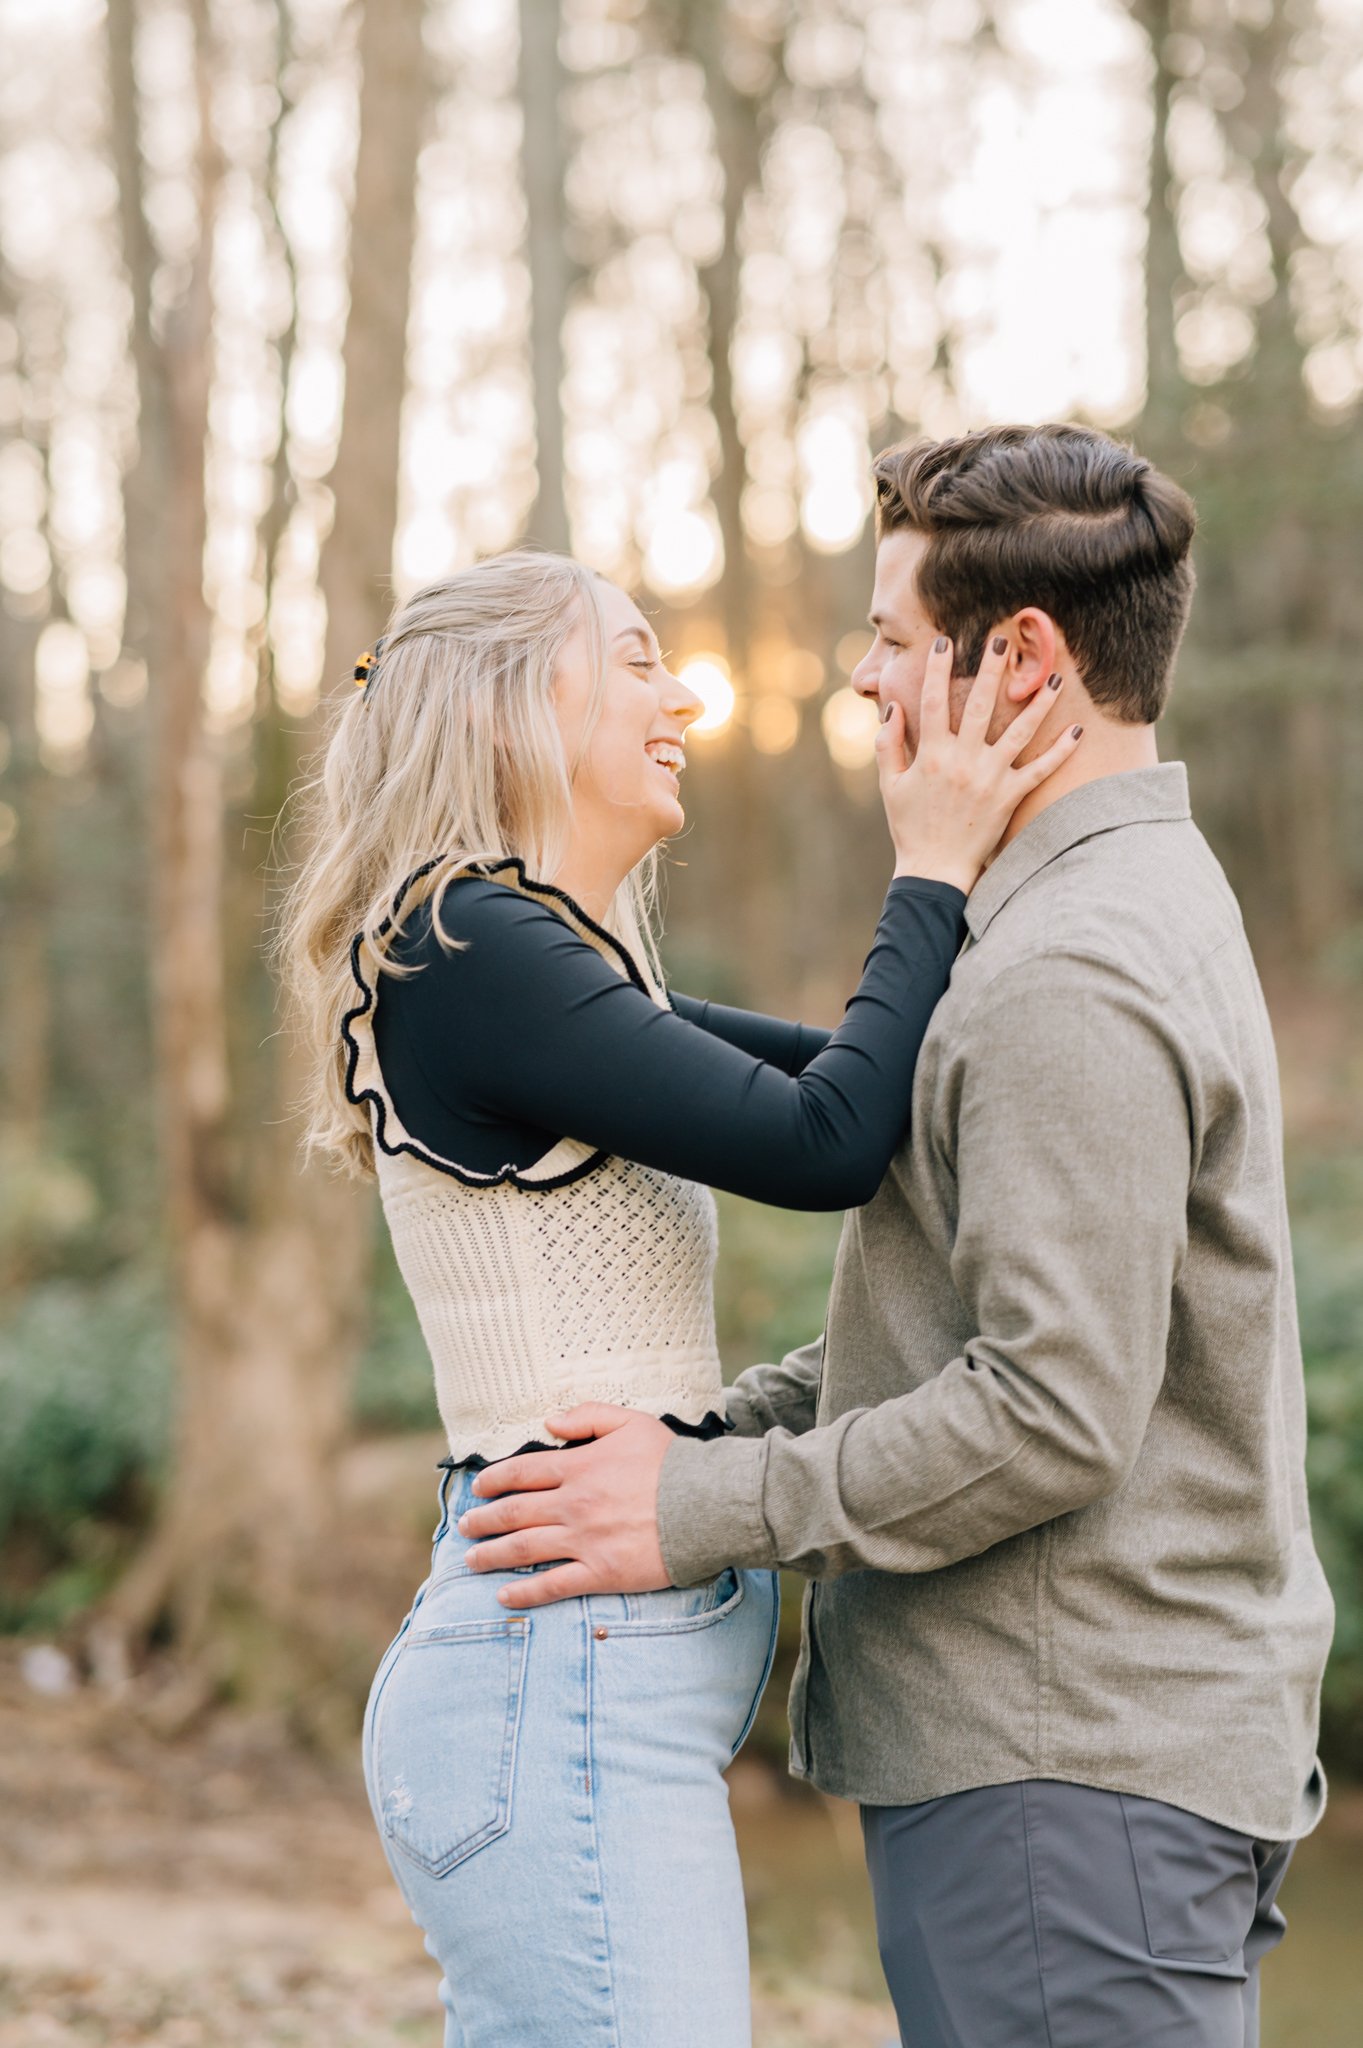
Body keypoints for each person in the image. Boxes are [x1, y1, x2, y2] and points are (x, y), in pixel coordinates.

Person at [461, 426, 1336, 2048]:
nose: (865, 684)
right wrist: (702, 1429)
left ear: (1022, 662)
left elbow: (1049, 1409)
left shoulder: (1070, 971)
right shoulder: (1120, 900)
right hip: (1098, 1772)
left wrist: (708, 1505)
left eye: (892, 642)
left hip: (1066, 1778)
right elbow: (958, 1323)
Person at [277, 545, 1078, 2048]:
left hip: (581, 1681)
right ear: (520, 701)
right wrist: (932, 867)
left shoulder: (550, 961)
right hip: (558, 1674)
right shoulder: (465, 944)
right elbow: (825, 1143)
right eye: (638, 658)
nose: (686, 698)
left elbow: (862, 1085)